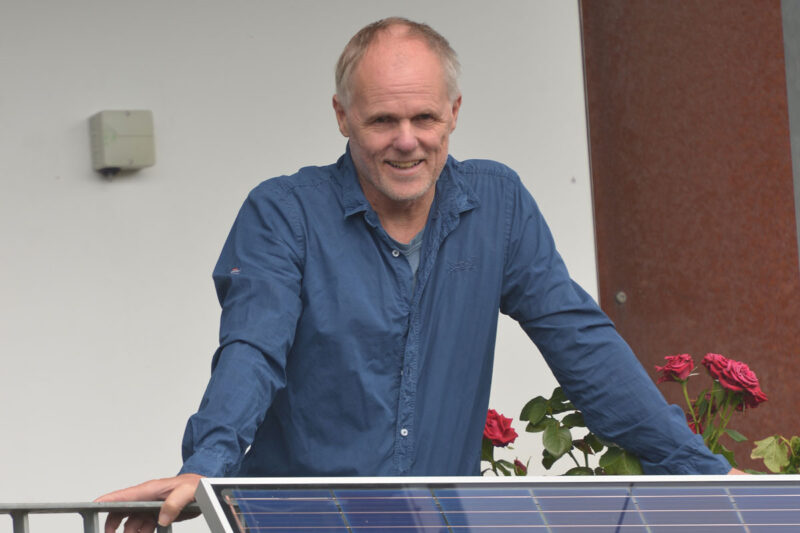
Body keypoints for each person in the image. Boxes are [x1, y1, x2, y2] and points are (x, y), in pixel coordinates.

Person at [97, 17, 739, 533]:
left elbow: (582, 345)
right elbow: (252, 351)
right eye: (382, 120)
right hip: (301, 525)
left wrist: (703, 474)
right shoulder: (284, 214)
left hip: (436, 522)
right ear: (342, 116)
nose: (407, 140)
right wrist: (206, 464)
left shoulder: (499, 205)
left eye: (424, 118)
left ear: (454, 111)